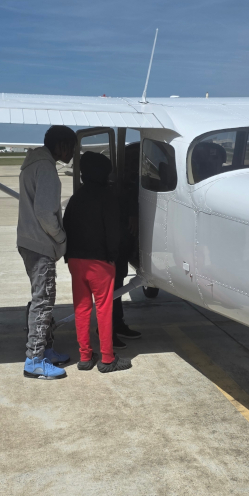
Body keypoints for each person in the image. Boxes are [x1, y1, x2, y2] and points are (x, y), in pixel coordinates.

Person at [64, 151, 132, 373]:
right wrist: (113, 256)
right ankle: (107, 359)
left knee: (82, 308)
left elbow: (66, 225)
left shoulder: (76, 198)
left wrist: (68, 255)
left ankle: (85, 357)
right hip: (99, 262)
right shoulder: (107, 197)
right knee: (103, 309)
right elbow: (113, 231)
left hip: (75, 260)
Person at [18, 125, 75, 380]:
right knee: (43, 301)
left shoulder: (32, 164)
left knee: (42, 299)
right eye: (71, 147)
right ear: (61, 146)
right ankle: (35, 359)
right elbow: (44, 212)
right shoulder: (47, 169)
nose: (72, 153)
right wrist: (61, 237)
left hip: (28, 240)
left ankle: (46, 349)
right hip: (40, 244)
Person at [112, 141, 142, 349]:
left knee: (119, 282)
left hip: (123, 243)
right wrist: (132, 214)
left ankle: (117, 323)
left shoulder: (129, 185)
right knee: (114, 285)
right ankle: (110, 327)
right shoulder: (118, 187)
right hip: (117, 243)